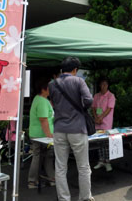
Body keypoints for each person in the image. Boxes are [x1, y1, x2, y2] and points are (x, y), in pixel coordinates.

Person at [48, 57, 94, 201]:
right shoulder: (78, 81)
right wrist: (80, 108)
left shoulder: (52, 84)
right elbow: (89, 100)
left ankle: (64, 198)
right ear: (75, 70)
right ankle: (85, 198)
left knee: (60, 167)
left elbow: (53, 102)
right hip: (77, 129)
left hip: (59, 129)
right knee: (83, 167)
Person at [28, 77, 55, 189]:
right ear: (44, 89)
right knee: (38, 156)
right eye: (49, 88)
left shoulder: (39, 99)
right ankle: (32, 181)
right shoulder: (42, 101)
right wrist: (49, 134)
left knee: (47, 156)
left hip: (39, 134)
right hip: (41, 135)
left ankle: (51, 178)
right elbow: (43, 119)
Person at [92, 77, 116, 172]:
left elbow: (109, 109)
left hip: (106, 123)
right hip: (97, 123)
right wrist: (96, 118)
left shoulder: (111, 96)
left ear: (108, 85)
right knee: (99, 142)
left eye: (105, 84)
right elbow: (93, 107)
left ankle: (108, 162)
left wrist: (100, 117)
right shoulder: (96, 95)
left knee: (106, 143)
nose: (103, 86)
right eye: (102, 84)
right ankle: (101, 160)